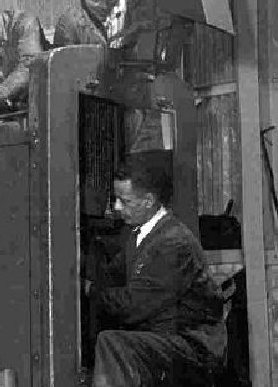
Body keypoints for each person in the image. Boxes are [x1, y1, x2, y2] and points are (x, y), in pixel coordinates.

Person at [86, 150, 227, 387]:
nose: (117, 207)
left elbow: (133, 307)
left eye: (125, 201)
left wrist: (91, 290)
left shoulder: (174, 243)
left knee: (112, 343)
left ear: (149, 201)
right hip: (165, 338)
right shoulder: (139, 236)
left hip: (194, 347)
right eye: (116, 199)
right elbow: (111, 275)